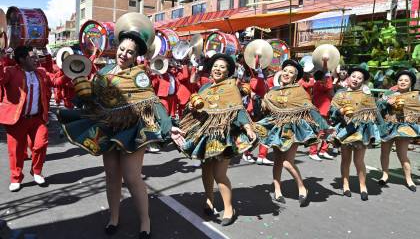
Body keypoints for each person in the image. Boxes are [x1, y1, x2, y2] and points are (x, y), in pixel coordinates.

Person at [58, 13, 183, 239]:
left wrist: (169, 126)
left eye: (130, 52)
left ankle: (145, 221)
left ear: (136, 56)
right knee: (111, 176)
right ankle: (113, 217)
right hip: (109, 128)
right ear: (117, 48)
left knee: (132, 177)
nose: (124, 54)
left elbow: (152, 102)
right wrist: (81, 92)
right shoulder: (104, 73)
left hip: (133, 130)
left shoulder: (139, 76)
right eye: (122, 49)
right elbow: (93, 101)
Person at [177, 53, 257, 226]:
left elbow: (238, 110)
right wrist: (191, 107)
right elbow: (195, 110)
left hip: (224, 136)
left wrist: (248, 127)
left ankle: (229, 208)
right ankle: (209, 200)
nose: (217, 69)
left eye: (222, 67)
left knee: (219, 174)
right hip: (205, 135)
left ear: (228, 72)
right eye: (215, 66)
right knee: (206, 170)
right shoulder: (204, 89)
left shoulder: (231, 87)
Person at [256, 60, 330, 206]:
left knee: (287, 162)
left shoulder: (299, 91)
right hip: (277, 128)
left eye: (291, 72)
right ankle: (277, 190)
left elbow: (310, 109)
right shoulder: (273, 91)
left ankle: (302, 187)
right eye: (285, 71)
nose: (287, 74)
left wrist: (325, 126)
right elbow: (266, 108)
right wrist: (263, 102)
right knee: (278, 160)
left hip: (293, 130)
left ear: (295, 77)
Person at [0, 46, 68, 192]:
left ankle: (36, 172)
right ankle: (16, 178)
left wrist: (69, 71)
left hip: (38, 119)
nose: (37, 59)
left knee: (41, 145)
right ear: (22, 59)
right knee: (16, 151)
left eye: (37, 56)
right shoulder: (10, 72)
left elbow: (56, 81)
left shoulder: (41, 72)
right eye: (33, 56)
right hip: (16, 119)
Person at [329, 66, 384, 201]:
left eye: (360, 78)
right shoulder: (340, 94)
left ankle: (362, 185)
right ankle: (345, 184)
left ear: (363, 81)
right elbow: (331, 113)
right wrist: (340, 112)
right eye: (354, 76)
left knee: (359, 161)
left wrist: (383, 129)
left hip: (361, 132)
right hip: (345, 131)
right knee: (345, 160)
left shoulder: (367, 95)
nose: (356, 79)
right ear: (348, 77)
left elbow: (375, 112)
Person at [377, 70, 419, 192]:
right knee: (384, 153)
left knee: (403, 155)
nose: (403, 82)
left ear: (411, 83)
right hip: (388, 126)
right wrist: (386, 102)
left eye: (406, 80)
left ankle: (408, 179)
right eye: (400, 80)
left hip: (404, 128)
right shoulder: (389, 93)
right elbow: (378, 106)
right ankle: (385, 175)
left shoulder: (415, 96)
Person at [309, 70, 334, 161]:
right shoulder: (318, 84)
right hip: (320, 111)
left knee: (326, 131)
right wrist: (328, 74)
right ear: (322, 77)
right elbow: (329, 86)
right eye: (325, 77)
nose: (326, 78)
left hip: (325, 111)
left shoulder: (321, 84)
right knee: (318, 132)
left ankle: (323, 150)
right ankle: (313, 152)